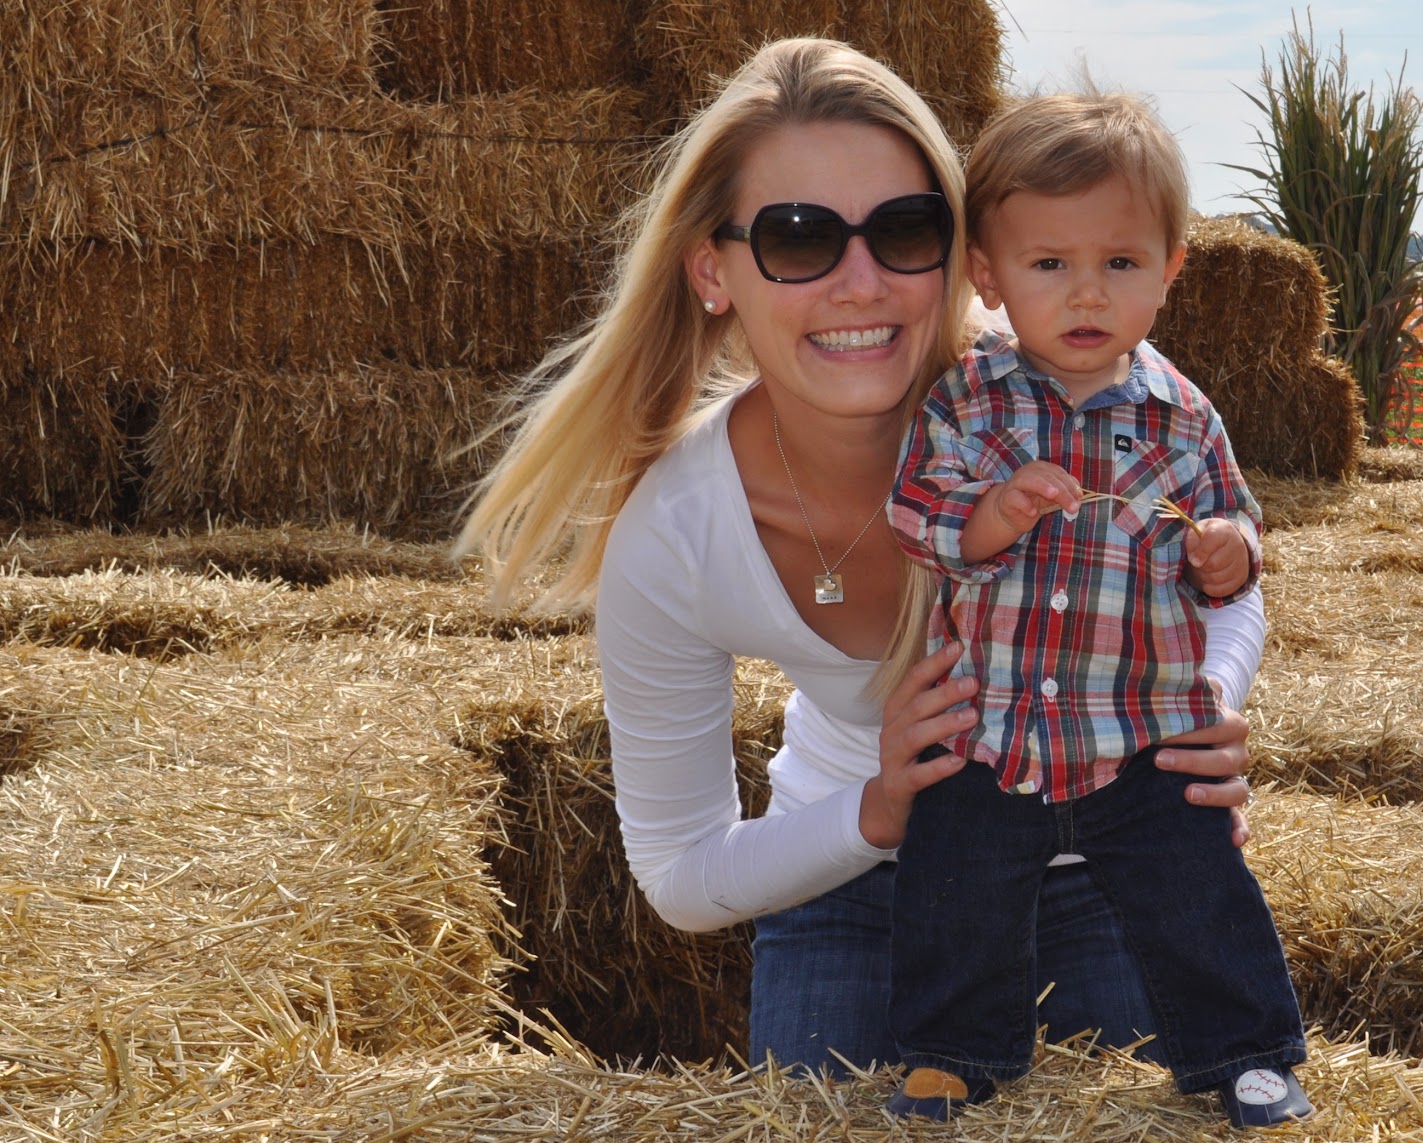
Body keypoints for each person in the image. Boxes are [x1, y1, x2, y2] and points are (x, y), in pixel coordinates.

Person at [454, 37, 1265, 1110]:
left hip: (1100, 868)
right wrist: (877, 813)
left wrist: (1203, 702)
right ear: (712, 269)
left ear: (960, 255)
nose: (861, 282)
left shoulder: (1059, 386)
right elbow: (683, 875)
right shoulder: (679, 532)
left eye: (904, 229)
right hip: (847, 887)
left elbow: (1217, 557)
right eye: (797, 237)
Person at [884, 92, 1309, 1128]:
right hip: (993, 728)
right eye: (1048, 263)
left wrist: (1226, 554)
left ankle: (1247, 1055)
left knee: (1198, 890)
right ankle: (950, 1054)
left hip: (1142, 734)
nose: (1086, 291)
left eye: (1120, 262)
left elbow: (1235, 535)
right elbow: (916, 514)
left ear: (1169, 270)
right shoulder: (966, 399)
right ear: (988, 274)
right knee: (955, 886)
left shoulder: (1184, 418)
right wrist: (992, 514)